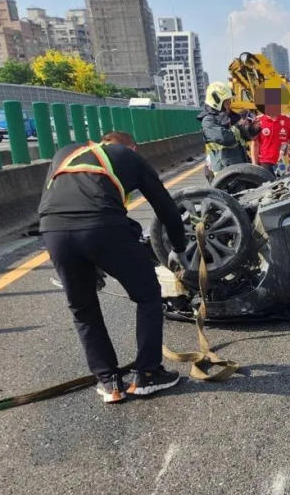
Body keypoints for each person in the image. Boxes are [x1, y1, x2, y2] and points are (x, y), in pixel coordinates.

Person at [38, 131, 187, 403]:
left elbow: (54, 201)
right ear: (133, 147)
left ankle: (109, 382)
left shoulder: (64, 153)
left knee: (83, 309)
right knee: (147, 295)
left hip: (53, 230)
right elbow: (165, 207)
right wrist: (179, 249)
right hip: (102, 225)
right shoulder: (128, 156)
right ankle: (149, 375)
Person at [198, 81, 259, 183]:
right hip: (223, 172)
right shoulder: (208, 121)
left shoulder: (231, 117)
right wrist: (239, 127)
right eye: (226, 102)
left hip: (239, 167)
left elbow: (243, 137)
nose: (229, 104)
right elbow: (226, 138)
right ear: (217, 102)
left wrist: (252, 129)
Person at [250, 109, 290, 177]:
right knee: (268, 186)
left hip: (283, 163)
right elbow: (255, 144)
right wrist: (254, 165)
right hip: (265, 162)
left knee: (284, 186)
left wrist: (287, 146)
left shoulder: (287, 120)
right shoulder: (258, 120)